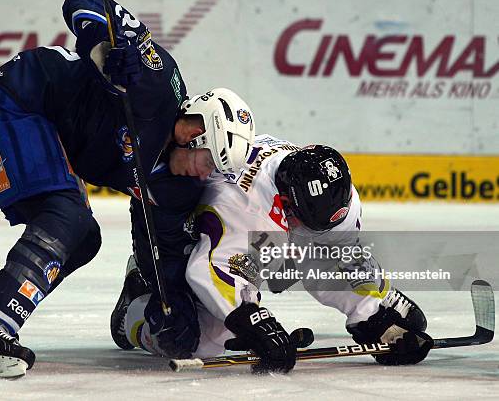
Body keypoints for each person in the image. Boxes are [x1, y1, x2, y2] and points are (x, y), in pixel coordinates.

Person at [0, 0, 255, 378]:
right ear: (196, 132)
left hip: (41, 130)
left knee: (85, 236)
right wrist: (103, 52)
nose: (204, 175)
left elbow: (162, 247)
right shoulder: (155, 83)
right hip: (6, 102)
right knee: (67, 217)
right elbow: (84, 1)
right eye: (208, 161)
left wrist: (169, 307)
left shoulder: (177, 187)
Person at [114, 135, 433, 373]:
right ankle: (135, 309)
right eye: (299, 222)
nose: (307, 237)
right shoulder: (244, 204)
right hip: (180, 238)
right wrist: (254, 322)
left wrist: (375, 319)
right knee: (194, 341)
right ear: (284, 199)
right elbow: (213, 269)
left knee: (316, 248)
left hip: (252, 236)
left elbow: (339, 256)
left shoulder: (336, 197)